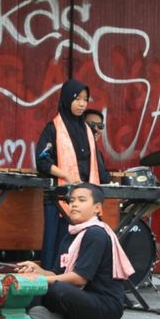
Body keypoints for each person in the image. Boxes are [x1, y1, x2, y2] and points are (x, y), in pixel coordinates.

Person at [16, 184, 134, 319]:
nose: (74, 204)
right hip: (80, 298)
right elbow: (57, 274)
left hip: (104, 307)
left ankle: (59, 317)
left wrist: (41, 279)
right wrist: (37, 271)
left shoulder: (96, 234)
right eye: (71, 201)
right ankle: (57, 317)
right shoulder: (71, 234)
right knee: (35, 289)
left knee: (57, 290)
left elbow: (80, 278)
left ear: (97, 208)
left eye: (81, 200)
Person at [35, 79, 110, 270]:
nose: (82, 104)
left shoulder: (87, 130)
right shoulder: (53, 128)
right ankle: (52, 286)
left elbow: (97, 166)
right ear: (67, 99)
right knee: (58, 247)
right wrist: (66, 176)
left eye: (85, 99)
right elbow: (42, 160)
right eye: (77, 99)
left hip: (85, 202)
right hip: (60, 200)